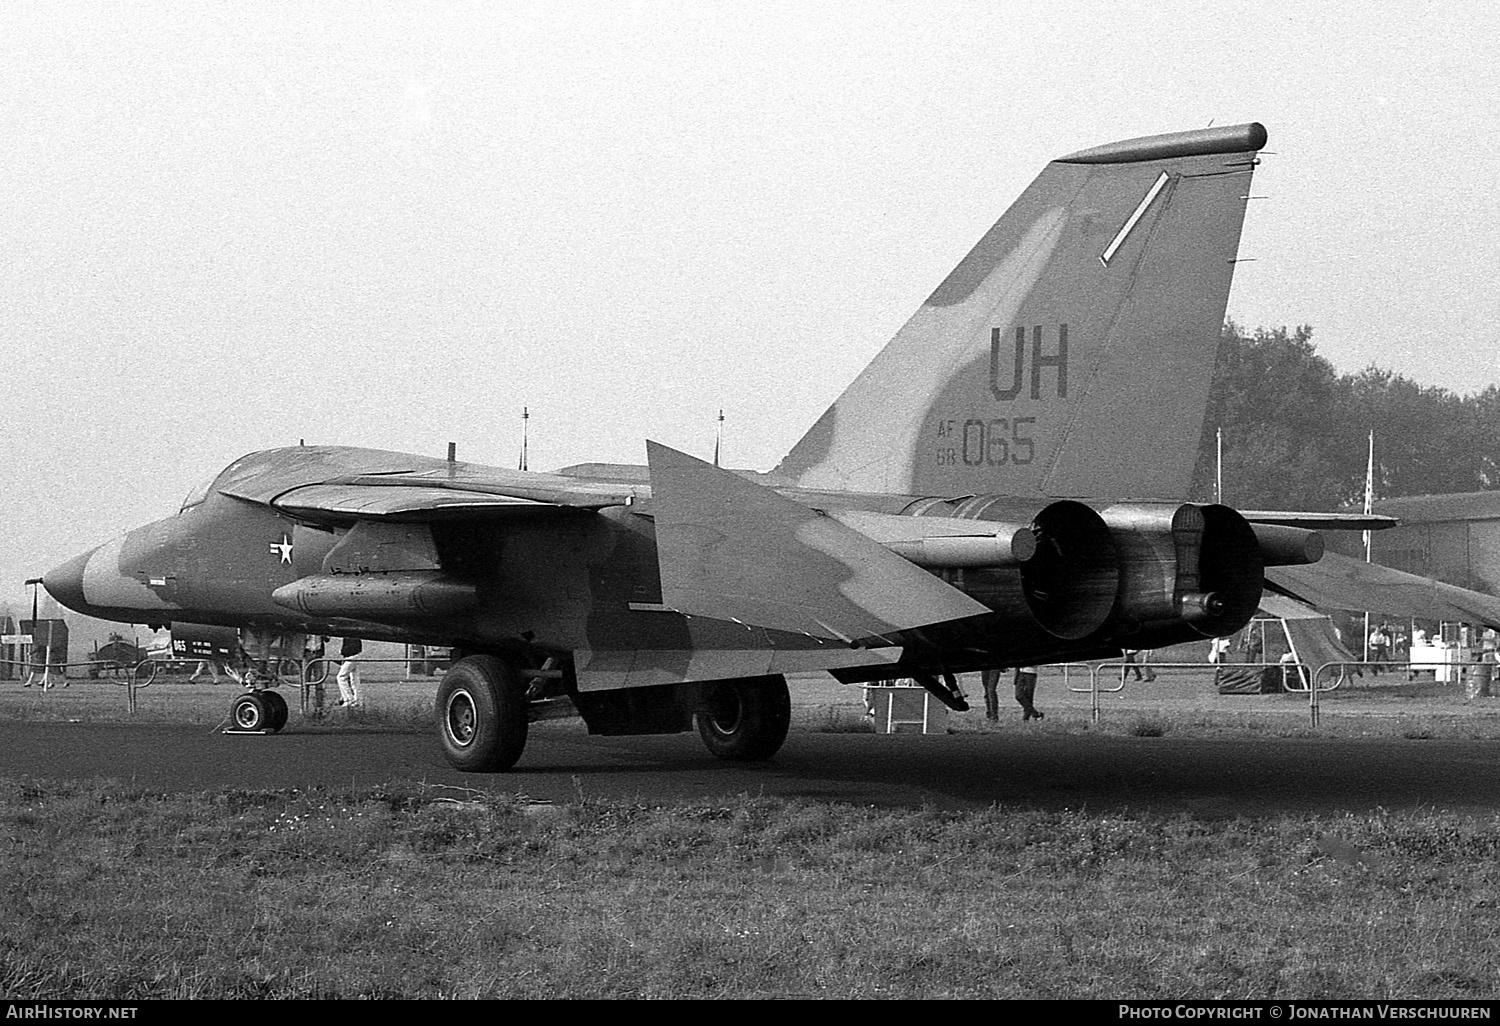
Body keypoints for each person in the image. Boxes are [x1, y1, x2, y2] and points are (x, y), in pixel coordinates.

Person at [336, 635, 363, 707]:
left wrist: (342, 651)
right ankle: (358, 700)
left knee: (341, 677)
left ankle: (348, 699)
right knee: (355, 679)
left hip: (351, 656)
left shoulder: (349, 634)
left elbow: (350, 648)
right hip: (355, 656)